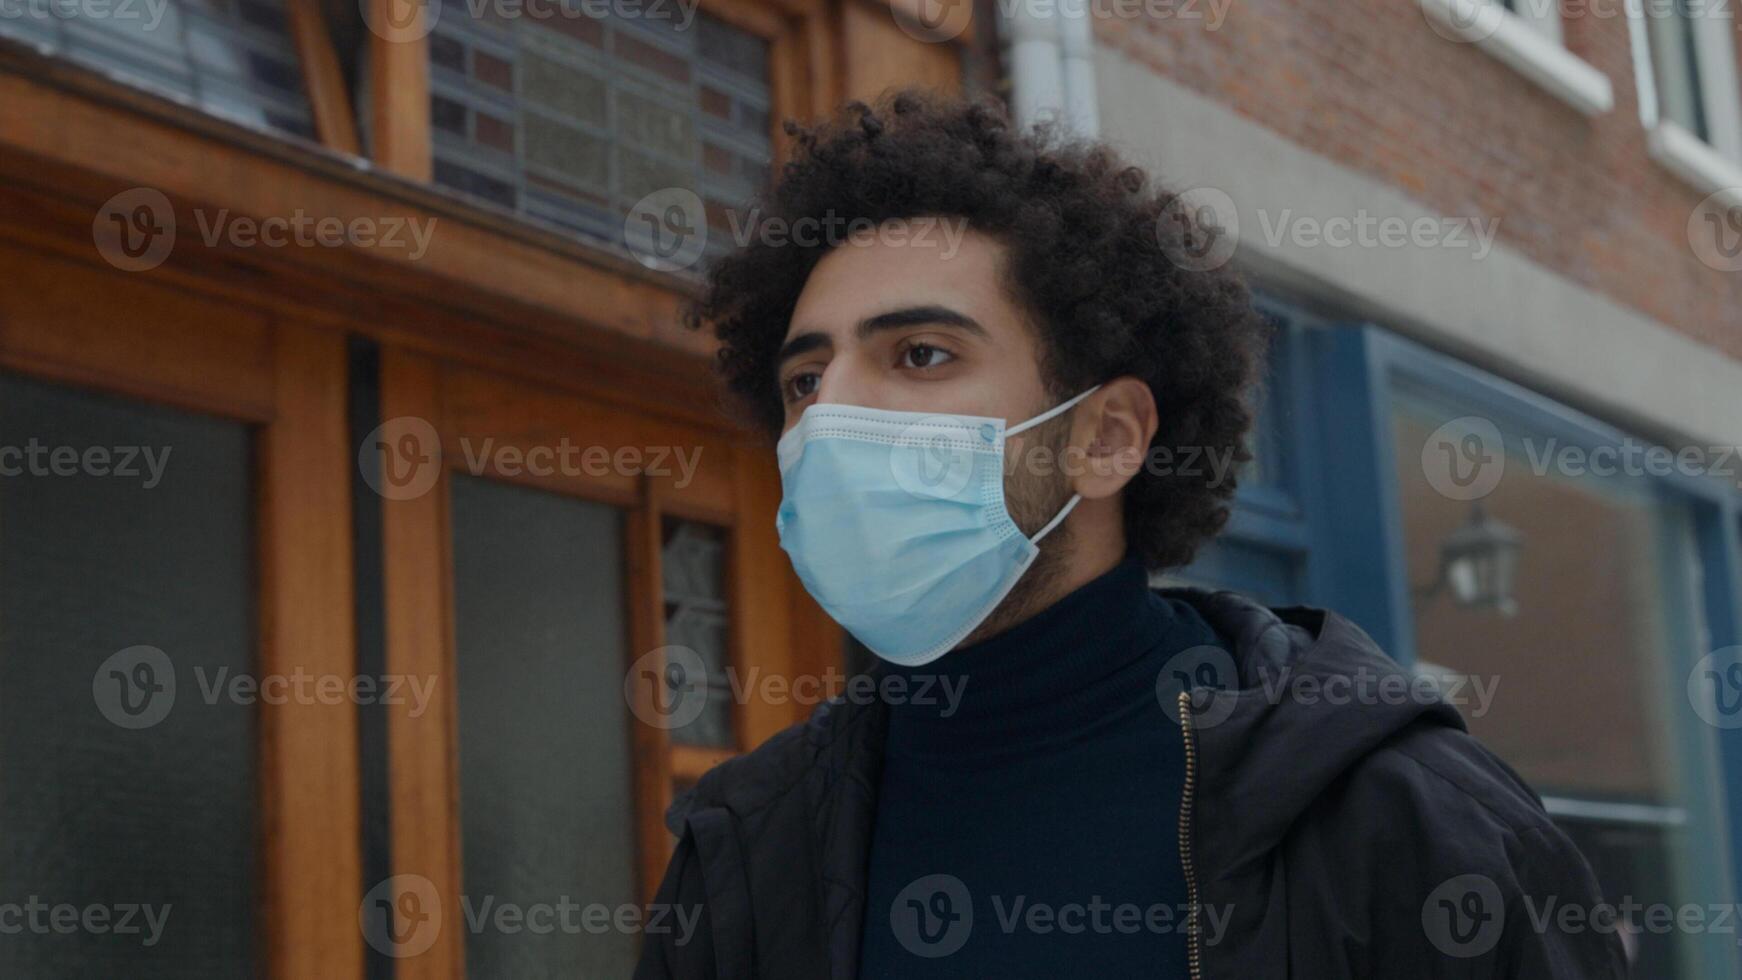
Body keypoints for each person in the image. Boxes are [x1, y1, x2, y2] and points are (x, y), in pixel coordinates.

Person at [634, 91, 1627, 979]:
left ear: (1105, 437)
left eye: (919, 353)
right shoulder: (744, 851)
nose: (830, 419)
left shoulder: (1399, 821)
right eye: (804, 380)